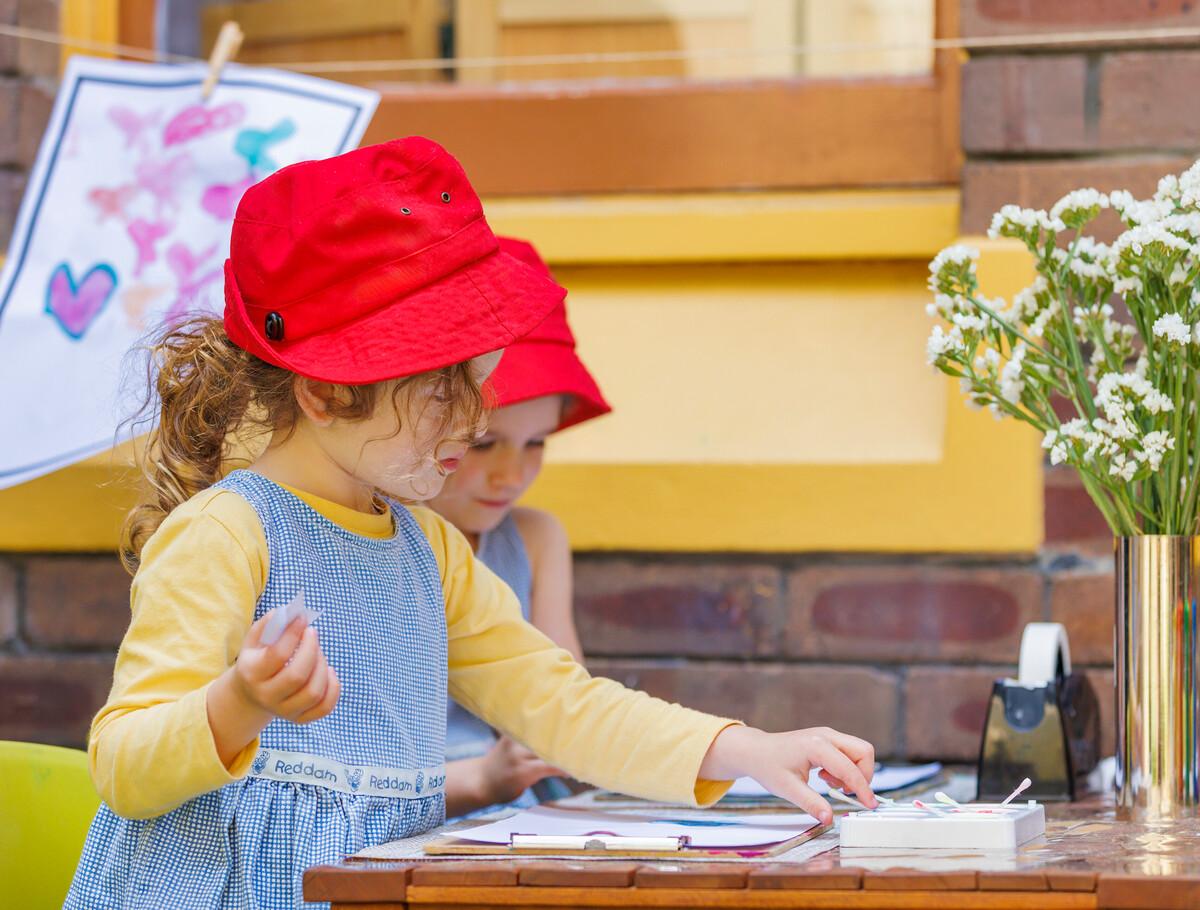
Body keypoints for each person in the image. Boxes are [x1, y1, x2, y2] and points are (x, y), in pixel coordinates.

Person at [65, 137, 877, 909]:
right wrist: (238, 702)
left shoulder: (428, 551)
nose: (475, 415)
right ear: (325, 392)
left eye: (480, 381)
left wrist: (745, 751)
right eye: (446, 389)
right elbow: (123, 766)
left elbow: (561, 704)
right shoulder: (227, 533)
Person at [433, 237, 609, 817]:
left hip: (520, 800)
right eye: (485, 444)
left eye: (536, 443)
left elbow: (564, 690)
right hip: (411, 795)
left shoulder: (534, 538)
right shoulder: (385, 537)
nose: (512, 474)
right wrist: (484, 775)